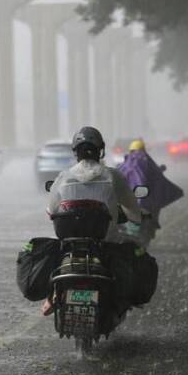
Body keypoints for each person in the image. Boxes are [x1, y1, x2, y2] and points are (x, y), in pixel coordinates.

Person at [42, 126, 143, 315]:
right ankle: (121, 300)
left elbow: (51, 210)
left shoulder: (64, 176)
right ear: (100, 150)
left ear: (75, 152)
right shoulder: (113, 176)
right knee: (127, 257)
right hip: (104, 240)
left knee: (56, 253)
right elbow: (132, 207)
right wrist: (136, 218)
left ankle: (51, 297)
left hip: (70, 241)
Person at [117, 138, 184, 239]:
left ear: (130, 150)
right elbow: (157, 176)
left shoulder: (126, 163)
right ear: (144, 150)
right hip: (146, 201)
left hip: (131, 201)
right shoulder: (147, 161)